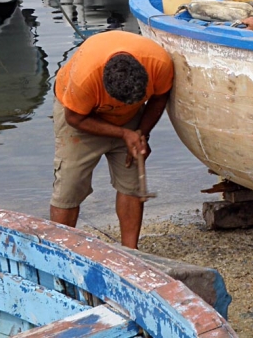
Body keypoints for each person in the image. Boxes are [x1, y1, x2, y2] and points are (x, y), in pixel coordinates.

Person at [50, 31, 174, 249]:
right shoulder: (85, 79)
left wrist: (141, 133)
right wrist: (124, 133)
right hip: (81, 118)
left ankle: (131, 253)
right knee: (69, 186)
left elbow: (160, 96)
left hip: (131, 120)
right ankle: (61, 250)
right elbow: (74, 118)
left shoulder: (159, 63)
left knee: (131, 182)